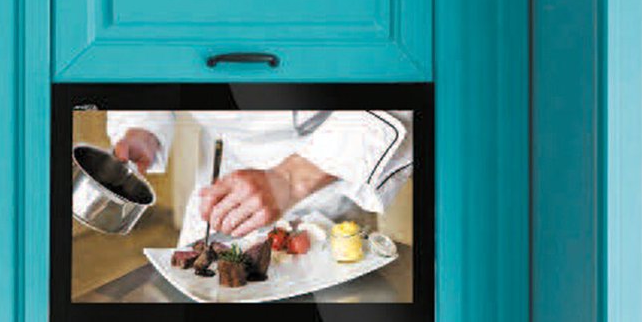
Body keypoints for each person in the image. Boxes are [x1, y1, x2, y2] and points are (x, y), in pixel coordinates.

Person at [106, 110, 414, 248]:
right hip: (222, 176)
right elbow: (149, 57)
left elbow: (406, 85)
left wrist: (290, 180)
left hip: (327, 169)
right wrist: (140, 127)